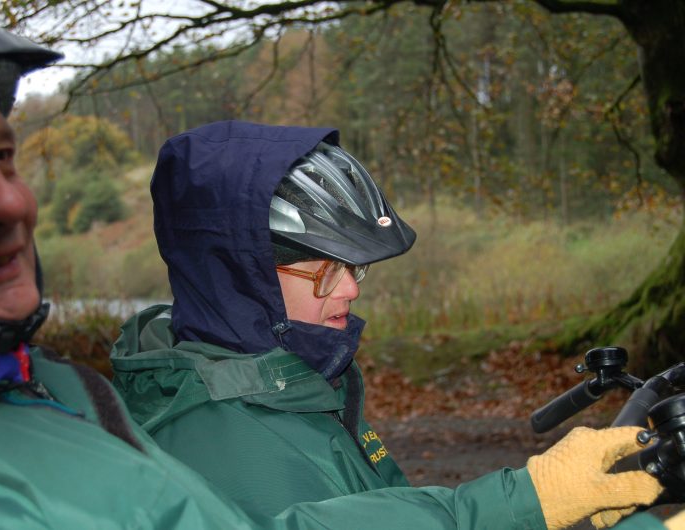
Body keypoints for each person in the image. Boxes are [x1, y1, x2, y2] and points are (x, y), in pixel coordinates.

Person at [0, 2, 672, 529]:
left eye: (1, 155)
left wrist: (554, 505)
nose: (8, 203)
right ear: (245, 277)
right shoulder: (228, 431)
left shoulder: (67, 393)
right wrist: (531, 501)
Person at [110, 119, 666, 528]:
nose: (350, 288)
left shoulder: (285, 382)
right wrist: (530, 501)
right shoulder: (221, 445)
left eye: (353, 268)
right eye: (323, 271)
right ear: (236, 275)